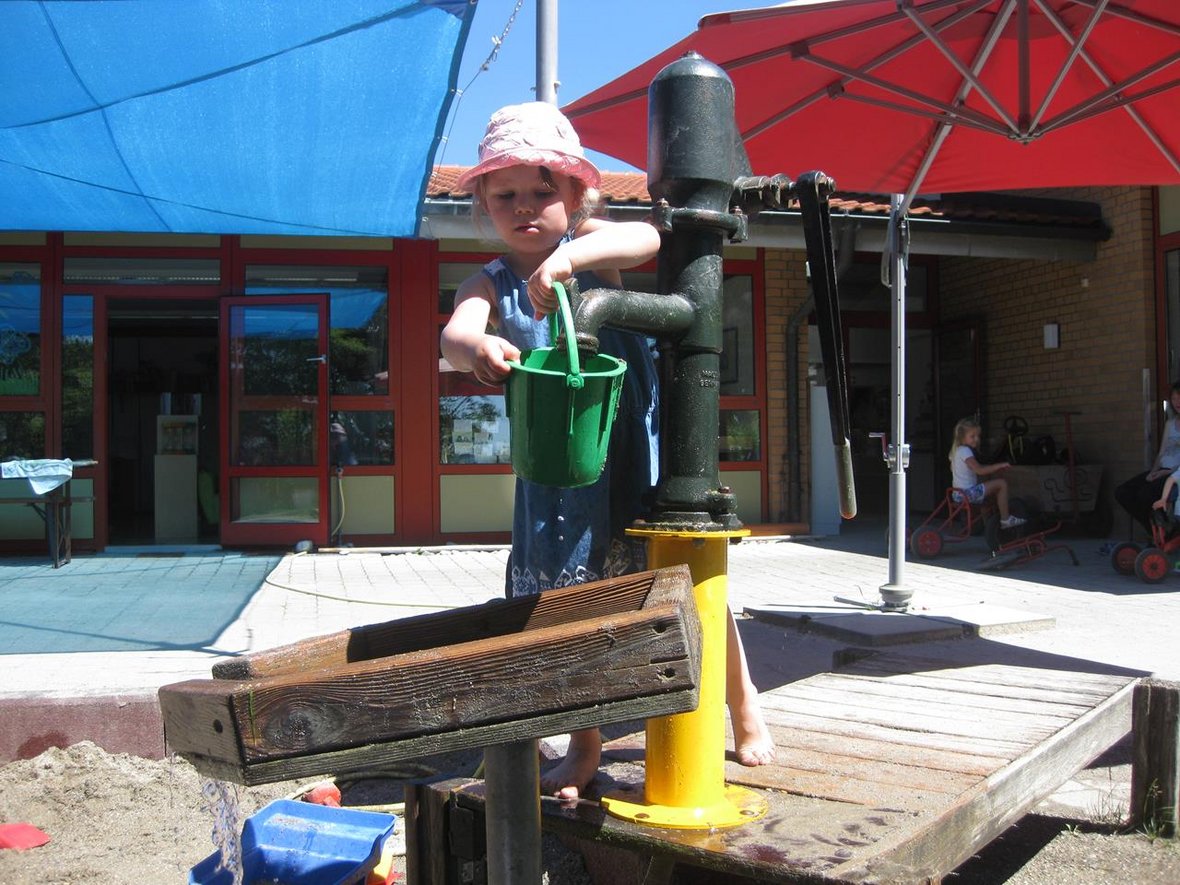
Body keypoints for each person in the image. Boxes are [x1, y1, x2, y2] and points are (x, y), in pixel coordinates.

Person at [439, 102, 775, 799]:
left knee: (689, 580)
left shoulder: (592, 246)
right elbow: (454, 332)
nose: (525, 207)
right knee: (571, 605)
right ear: (482, 202)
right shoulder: (491, 281)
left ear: (577, 196)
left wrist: (571, 258)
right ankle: (586, 743)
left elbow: (648, 239)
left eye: (544, 192)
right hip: (559, 479)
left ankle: (743, 705)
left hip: (634, 455)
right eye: (506, 195)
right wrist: (478, 346)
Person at [1116, 381, 1180, 536]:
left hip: (1175, 475)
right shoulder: (1170, 424)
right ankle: (1156, 531)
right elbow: (1161, 452)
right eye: (1174, 398)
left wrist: (1164, 473)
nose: (1177, 402)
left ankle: (1166, 530)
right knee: (1122, 492)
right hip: (1162, 470)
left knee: (1145, 494)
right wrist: (1153, 471)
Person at [948, 417, 1027, 530]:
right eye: (972, 436)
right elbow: (979, 470)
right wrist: (999, 465)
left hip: (957, 494)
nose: (976, 439)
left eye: (978, 436)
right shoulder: (966, 451)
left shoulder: (955, 451)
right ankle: (1006, 519)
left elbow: (962, 469)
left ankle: (989, 527)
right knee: (1001, 484)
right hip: (968, 494)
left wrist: (992, 468)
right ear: (962, 437)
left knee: (987, 496)